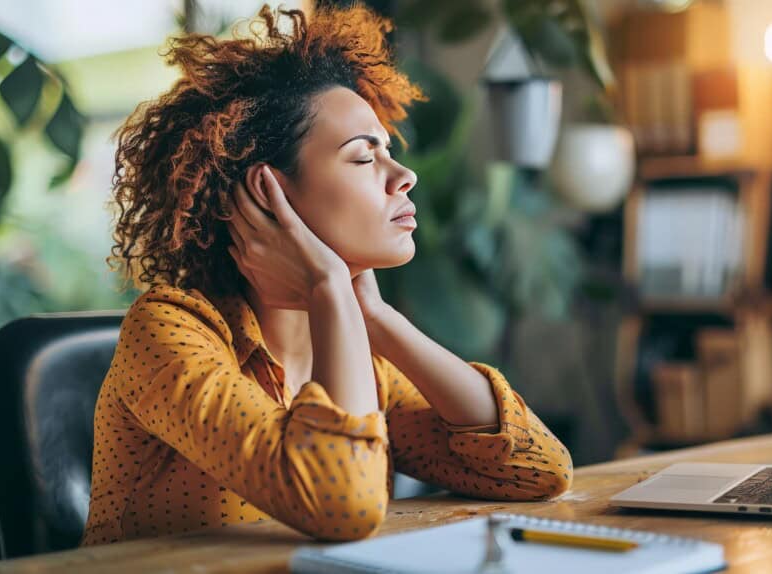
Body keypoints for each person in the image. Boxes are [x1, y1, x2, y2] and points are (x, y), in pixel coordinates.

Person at [81, 4, 572, 546]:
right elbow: (344, 506)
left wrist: (378, 318)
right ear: (268, 195)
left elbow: (539, 470)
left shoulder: (360, 358)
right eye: (364, 158)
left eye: (388, 151)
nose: (404, 175)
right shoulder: (168, 333)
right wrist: (328, 286)